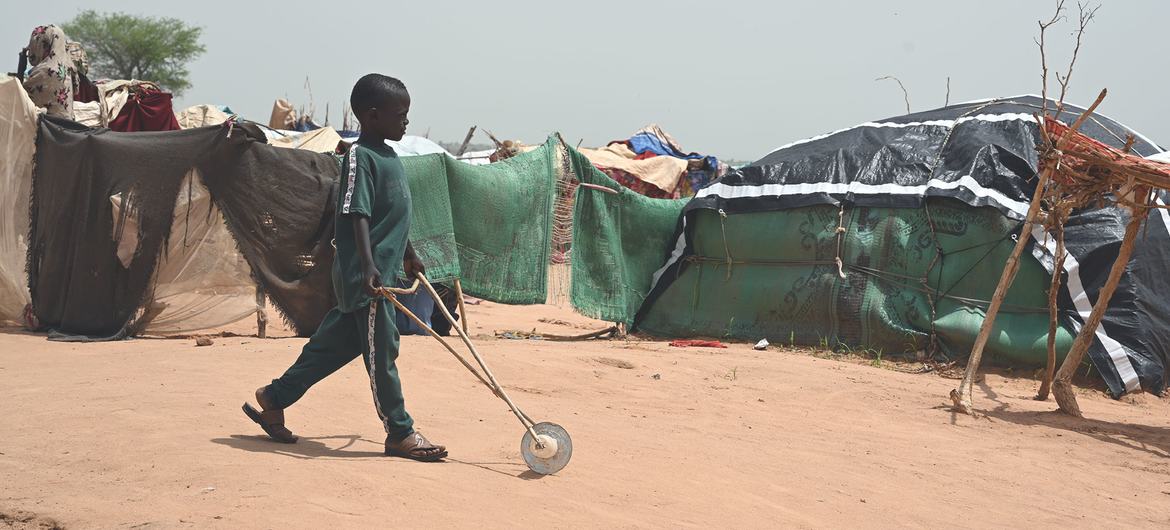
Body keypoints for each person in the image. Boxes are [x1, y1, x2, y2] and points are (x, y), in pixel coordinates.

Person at [243, 74, 447, 461]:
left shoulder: (389, 156)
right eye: (399, 115)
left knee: (331, 347)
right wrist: (369, 266)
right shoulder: (359, 156)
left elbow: (391, 215)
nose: (406, 121)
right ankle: (400, 433)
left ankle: (273, 397)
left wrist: (409, 252)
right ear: (371, 117)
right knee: (382, 352)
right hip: (369, 278)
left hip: (381, 271)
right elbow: (358, 212)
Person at [21, 25, 76, 119]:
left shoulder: (45, 71)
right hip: (66, 127)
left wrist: (21, 68)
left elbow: (20, 98)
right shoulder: (67, 69)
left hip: (48, 129)